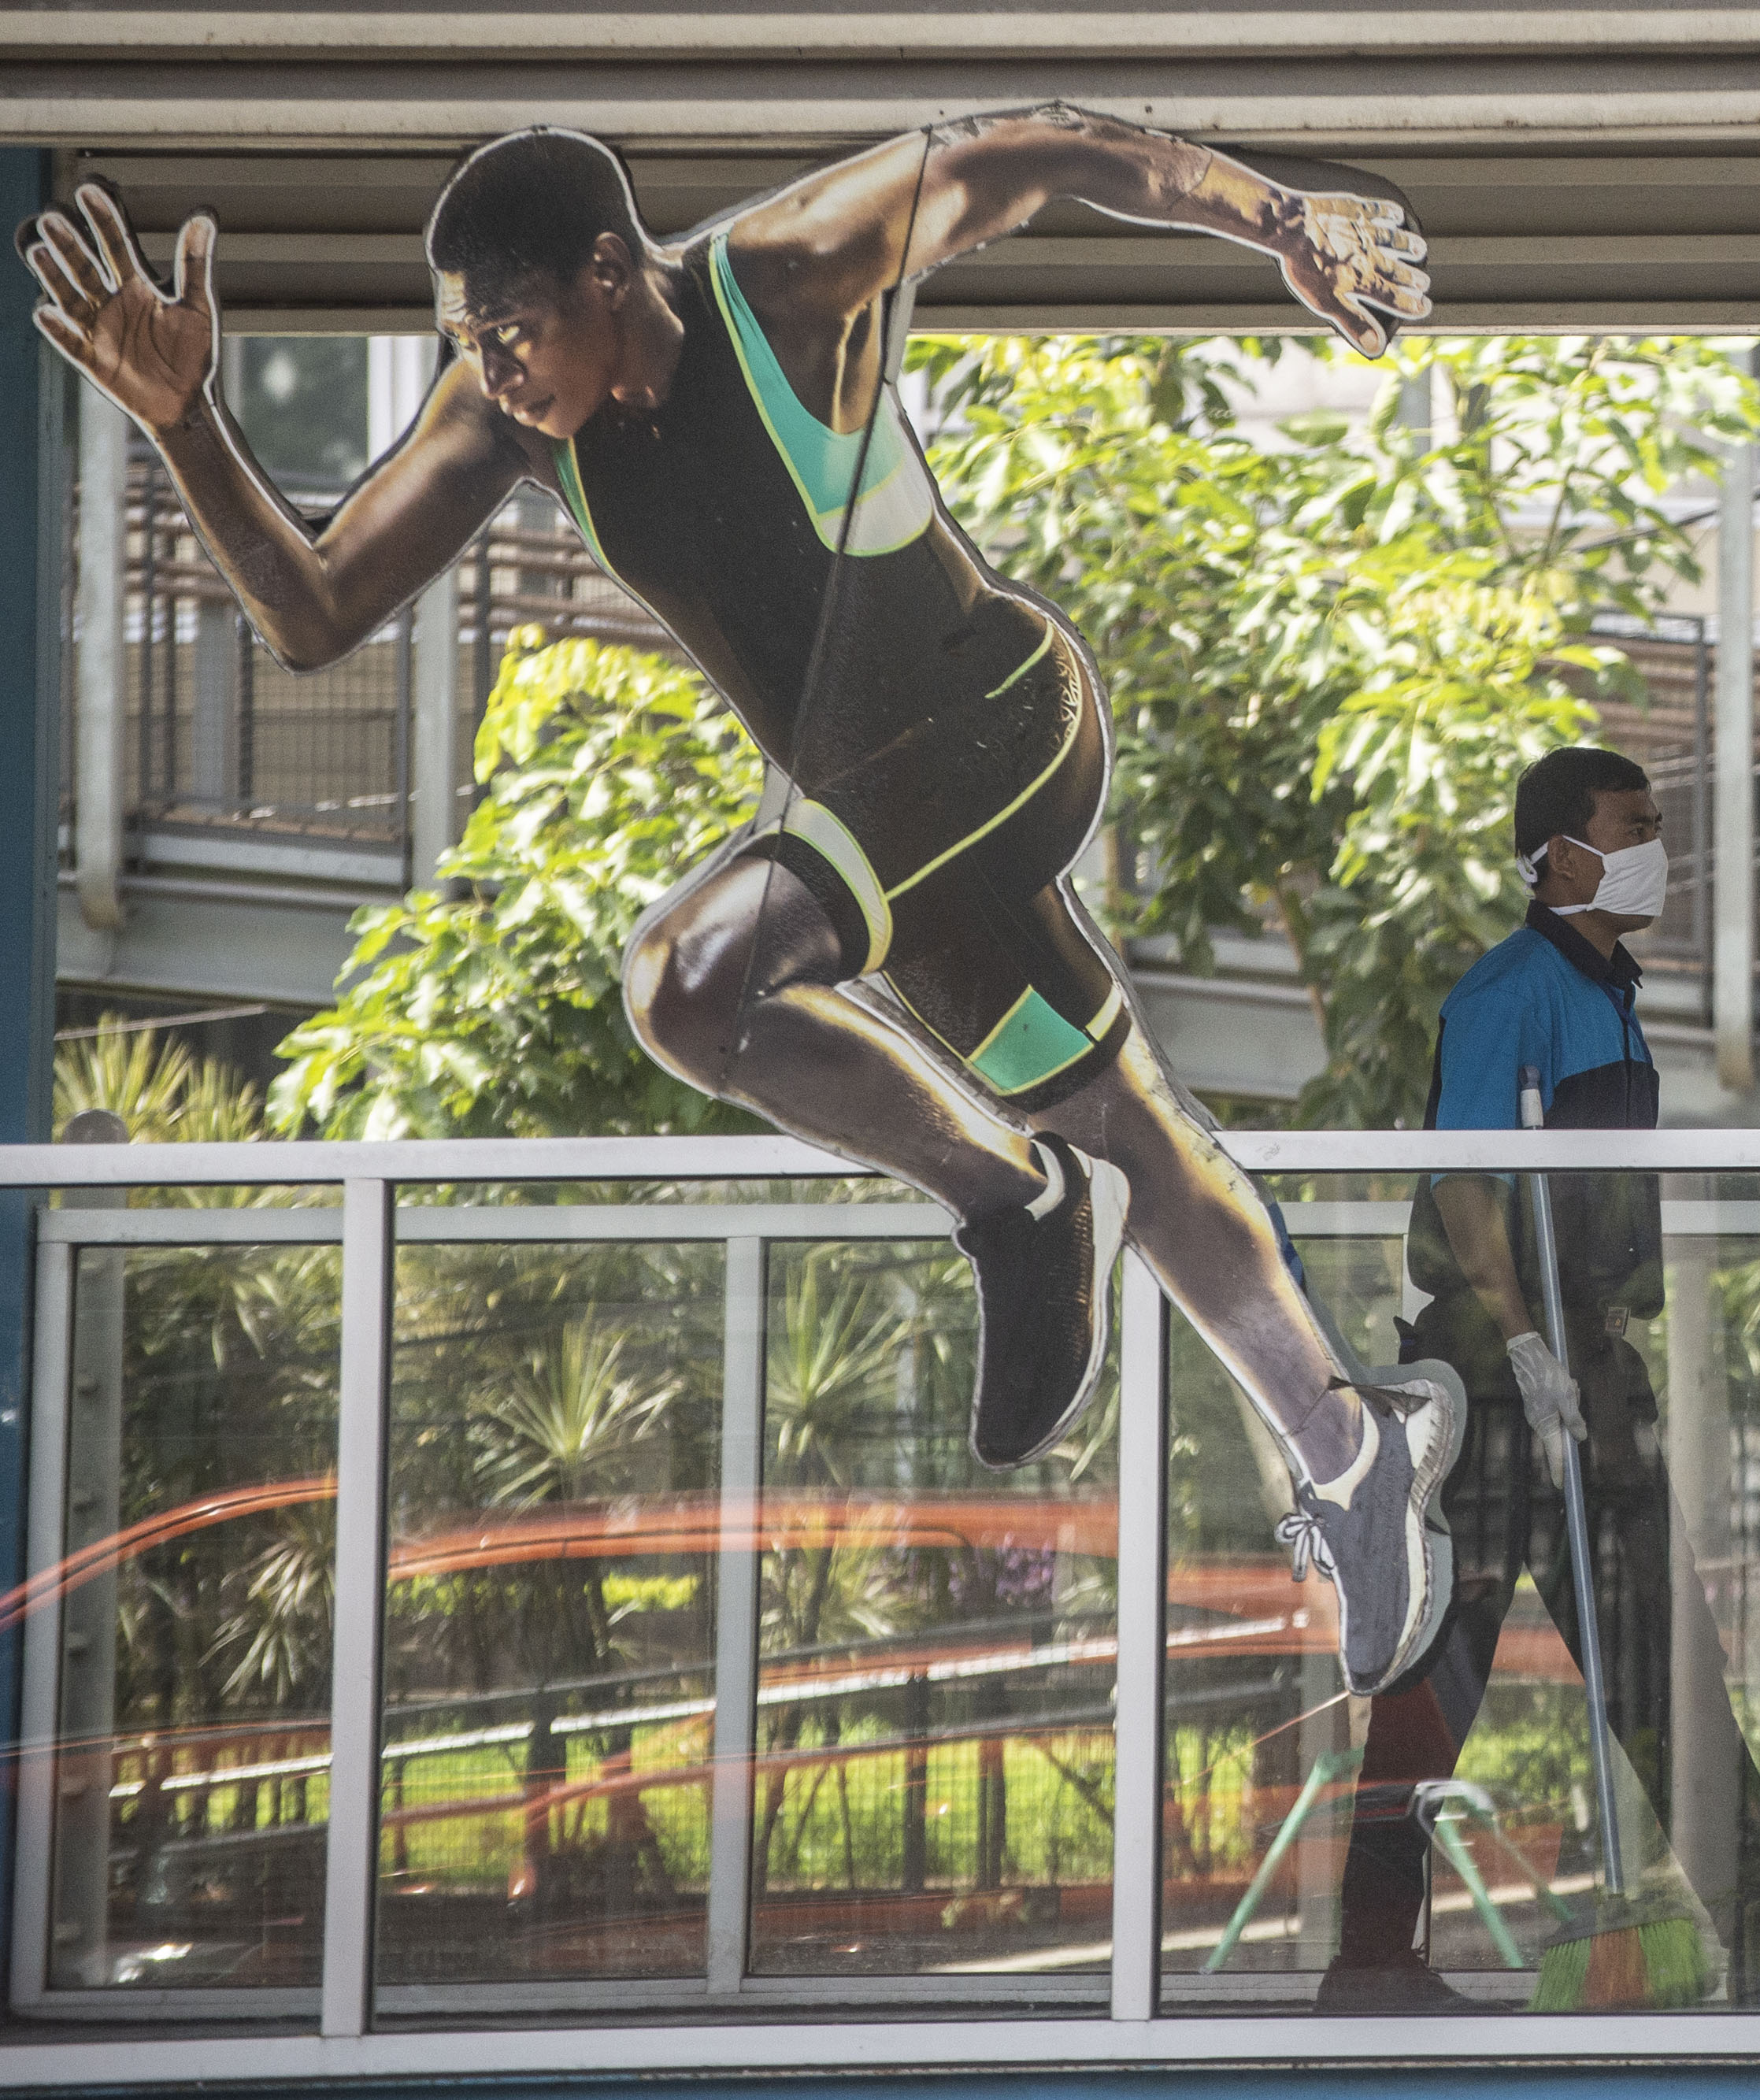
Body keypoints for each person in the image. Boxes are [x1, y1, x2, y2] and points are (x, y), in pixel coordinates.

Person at [17, 120, 1469, 1693]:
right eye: (465, 343)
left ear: (606, 272)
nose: (491, 372)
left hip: (1000, 728)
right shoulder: (507, 424)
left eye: (511, 333)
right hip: (898, 841)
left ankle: (1018, 1201)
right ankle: (1350, 1443)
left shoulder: (784, 280)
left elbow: (1039, 149)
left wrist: (1279, 217)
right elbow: (312, 613)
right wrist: (185, 422)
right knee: (1126, 1126)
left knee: (686, 981)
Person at [1318, 746, 1760, 2009]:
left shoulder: (1612, 993)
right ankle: (1372, 1961)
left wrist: (1580, 1362)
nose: (1659, 846)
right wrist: (1522, 1343)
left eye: (1657, 824)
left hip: (1591, 1368)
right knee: (1441, 1668)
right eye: (1635, 826)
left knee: (1663, 1655)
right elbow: (1466, 1180)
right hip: (1492, 1379)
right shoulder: (1509, 992)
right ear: (1561, 853)